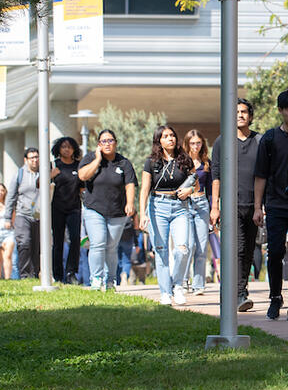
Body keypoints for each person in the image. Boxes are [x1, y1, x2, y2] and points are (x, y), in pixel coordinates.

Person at [254, 88, 288, 321]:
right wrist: (258, 207)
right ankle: (275, 297)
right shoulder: (269, 138)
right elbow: (260, 175)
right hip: (276, 205)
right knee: (275, 252)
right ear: (281, 111)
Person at [211, 98, 262, 311]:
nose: (240, 115)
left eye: (244, 112)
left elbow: (263, 175)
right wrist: (215, 206)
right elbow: (216, 175)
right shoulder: (222, 142)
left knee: (249, 250)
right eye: (236, 112)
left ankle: (238, 291)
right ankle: (238, 293)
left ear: (250, 116)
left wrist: (261, 205)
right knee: (237, 249)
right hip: (231, 205)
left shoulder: (260, 140)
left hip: (253, 204)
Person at [139, 125, 196, 306]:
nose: (170, 139)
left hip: (180, 206)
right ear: (159, 140)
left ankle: (177, 285)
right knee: (161, 251)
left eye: (172, 135)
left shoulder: (185, 160)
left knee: (182, 249)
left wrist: (190, 190)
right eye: (165, 136)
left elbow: (196, 184)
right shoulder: (151, 162)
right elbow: (145, 189)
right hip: (158, 206)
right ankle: (165, 292)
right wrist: (142, 214)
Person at [78, 131, 137, 291]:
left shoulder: (123, 163)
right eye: (103, 141)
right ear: (98, 144)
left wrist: (130, 203)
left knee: (111, 247)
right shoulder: (90, 158)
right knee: (98, 243)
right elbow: (83, 176)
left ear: (115, 143)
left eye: (110, 140)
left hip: (117, 211)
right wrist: (97, 160)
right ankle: (96, 279)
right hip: (94, 210)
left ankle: (110, 280)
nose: (107, 144)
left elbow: (130, 184)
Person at [182, 129, 212, 295]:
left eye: (198, 143)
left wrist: (214, 208)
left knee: (201, 247)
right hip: (185, 204)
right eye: (192, 143)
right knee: (189, 245)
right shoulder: (182, 162)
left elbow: (212, 187)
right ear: (187, 144)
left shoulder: (207, 163)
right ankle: (184, 279)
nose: (195, 146)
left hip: (202, 204)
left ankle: (198, 285)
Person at [50, 136, 83, 284]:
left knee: (75, 239)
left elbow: (83, 187)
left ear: (74, 149)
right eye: (63, 147)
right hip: (56, 208)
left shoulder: (78, 165)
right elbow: (39, 184)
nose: (67, 149)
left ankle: (71, 273)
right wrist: (50, 175)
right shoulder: (54, 165)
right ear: (58, 149)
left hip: (74, 208)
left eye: (69, 147)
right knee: (58, 242)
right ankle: (57, 275)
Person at [6, 148, 41, 278]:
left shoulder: (45, 173)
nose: (35, 160)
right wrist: (7, 217)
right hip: (22, 214)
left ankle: (35, 273)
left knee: (37, 246)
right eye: (32, 158)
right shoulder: (20, 174)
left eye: (37, 157)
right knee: (24, 243)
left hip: (39, 216)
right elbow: (11, 196)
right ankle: (25, 274)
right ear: (26, 160)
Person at [0, 184, 13, 278]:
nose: (0, 192)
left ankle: (8, 278)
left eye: (2, 190)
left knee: (7, 256)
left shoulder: (8, 205)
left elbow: (14, 220)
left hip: (8, 232)